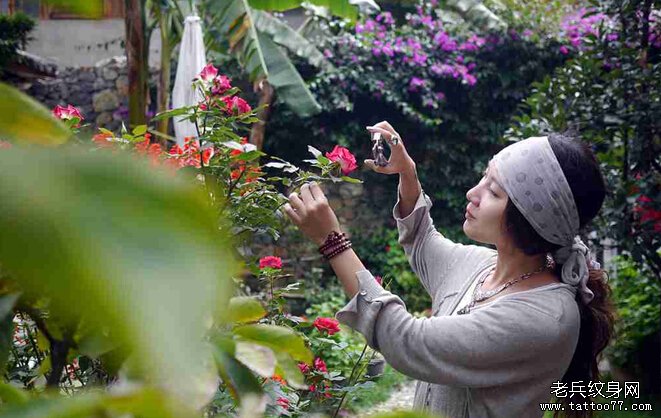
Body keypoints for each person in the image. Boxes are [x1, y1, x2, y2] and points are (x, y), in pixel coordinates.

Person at [282, 121, 615, 418]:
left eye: (494, 191)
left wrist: (332, 242)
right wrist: (407, 174)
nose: (473, 193)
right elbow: (423, 242)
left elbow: (405, 339)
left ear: (530, 219)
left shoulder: (543, 318)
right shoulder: (484, 267)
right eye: (485, 176)